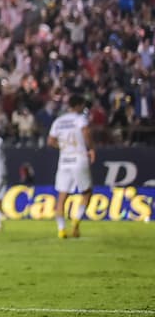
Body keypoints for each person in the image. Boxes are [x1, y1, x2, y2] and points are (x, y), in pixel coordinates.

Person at [48, 94, 96, 239]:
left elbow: (50, 141)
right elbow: (86, 132)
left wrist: (62, 147)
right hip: (79, 157)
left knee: (62, 197)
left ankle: (61, 230)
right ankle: (76, 222)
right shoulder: (80, 119)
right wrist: (91, 148)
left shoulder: (59, 121)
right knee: (86, 193)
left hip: (64, 160)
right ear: (79, 105)